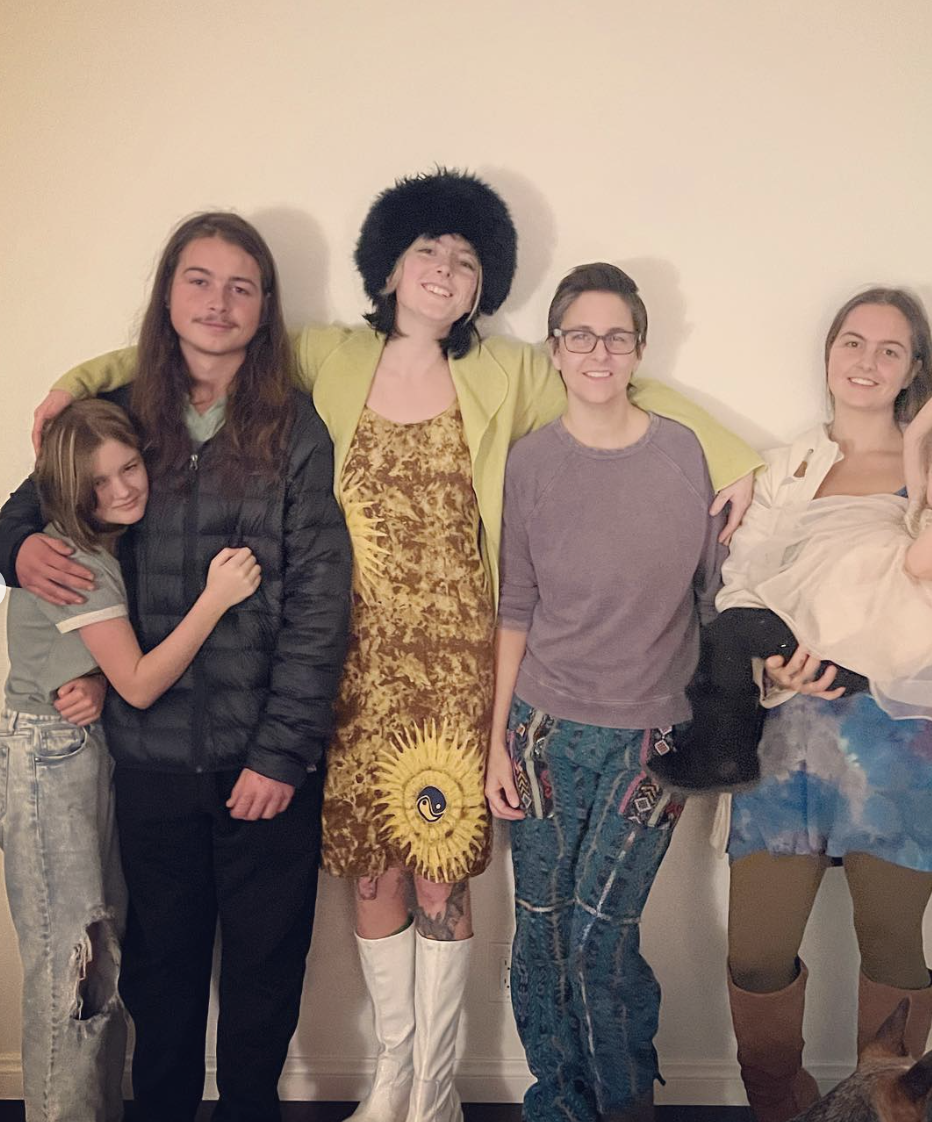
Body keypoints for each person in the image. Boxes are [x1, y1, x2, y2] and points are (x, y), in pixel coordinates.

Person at [28, 169, 762, 1122]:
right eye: (427, 251)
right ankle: (392, 1075)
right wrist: (75, 382)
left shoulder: (506, 371)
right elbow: (189, 349)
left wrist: (730, 456)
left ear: (484, 284)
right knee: (371, 863)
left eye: (465, 260)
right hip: (350, 664)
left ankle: (436, 1090)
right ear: (387, 267)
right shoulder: (326, 354)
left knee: (440, 861)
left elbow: (615, 380)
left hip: (458, 662)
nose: (444, 270)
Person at [0, 213, 352, 1122]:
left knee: (265, 974)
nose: (218, 302)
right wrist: (13, 549)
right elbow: (38, 505)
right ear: (167, 294)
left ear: (265, 306)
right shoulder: (124, 409)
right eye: (199, 279)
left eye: (241, 286)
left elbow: (320, 604)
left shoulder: (296, 427)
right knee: (159, 975)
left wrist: (282, 753)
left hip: (262, 763)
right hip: (148, 756)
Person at [708, 288, 932, 1122]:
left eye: (890, 349)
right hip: (789, 734)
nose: (867, 361)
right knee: (757, 954)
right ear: (829, 354)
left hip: (905, 735)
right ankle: (783, 1110)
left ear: (915, 370)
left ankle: (890, 1111)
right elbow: (740, 585)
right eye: (853, 341)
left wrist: (878, 654)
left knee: (892, 942)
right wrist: (776, 656)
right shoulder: (785, 469)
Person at [484, 263, 724, 1122]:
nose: (598, 351)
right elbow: (515, 606)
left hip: (654, 740)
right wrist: (495, 741)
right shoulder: (531, 463)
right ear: (555, 349)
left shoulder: (685, 453)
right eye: (579, 335)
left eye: (615, 336)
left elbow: (716, 595)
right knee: (541, 934)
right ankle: (558, 1104)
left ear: (639, 349)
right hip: (542, 733)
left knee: (599, 935)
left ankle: (623, 1103)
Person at [652, 355, 932, 791]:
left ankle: (724, 754)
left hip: (868, 668)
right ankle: (726, 748)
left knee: (731, 633)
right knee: (730, 631)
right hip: (839, 643)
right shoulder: (929, 504)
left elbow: (922, 563)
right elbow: (917, 435)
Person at [2, 399, 259, 1122]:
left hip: (83, 747)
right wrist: (215, 599)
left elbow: (104, 665)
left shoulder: (108, 546)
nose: (121, 490)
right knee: (70, 970)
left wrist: (93, 679)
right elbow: (141, 683)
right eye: (98, 482)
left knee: (101, 959)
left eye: (129, 467)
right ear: (68, 489)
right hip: (48, 760)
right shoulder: (77, 560)